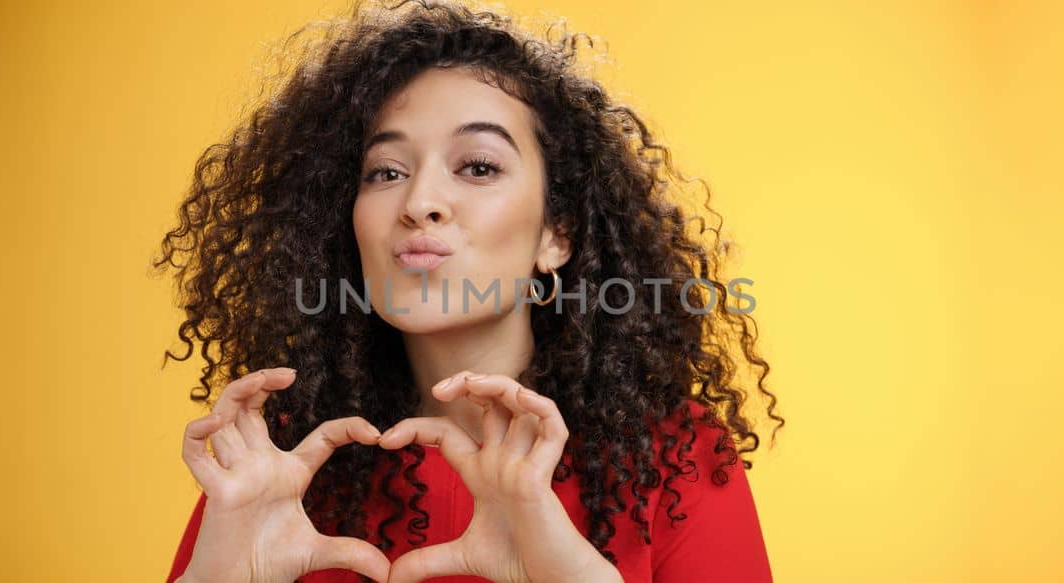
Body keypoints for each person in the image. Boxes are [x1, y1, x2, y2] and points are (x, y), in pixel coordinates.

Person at [152, 1, 784, 581]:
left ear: (556, 234)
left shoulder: (673, 454)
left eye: (478, 166)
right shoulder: (276, 464)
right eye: (387, 172)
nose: (420, 203)